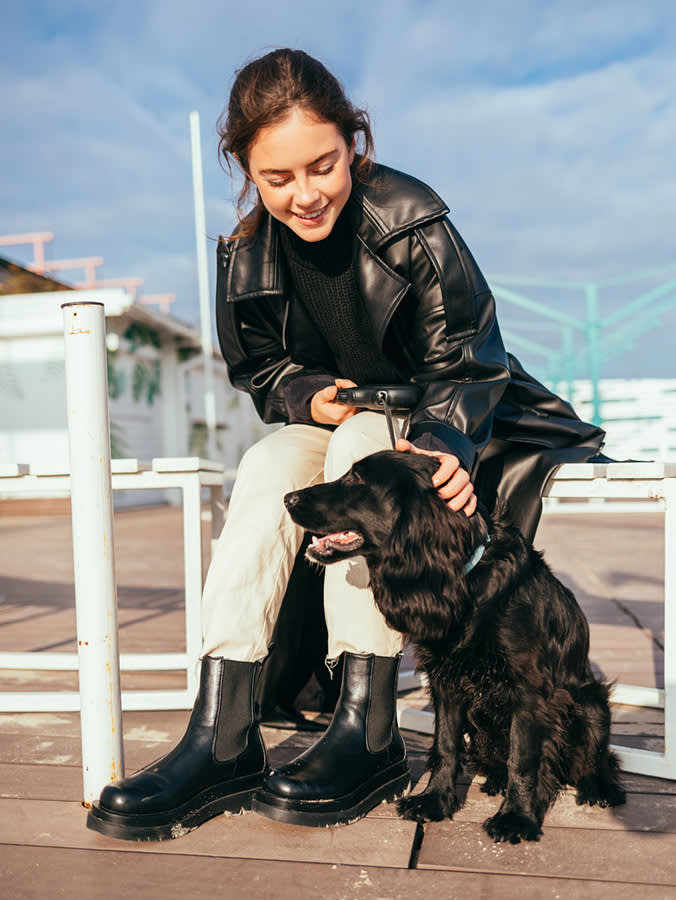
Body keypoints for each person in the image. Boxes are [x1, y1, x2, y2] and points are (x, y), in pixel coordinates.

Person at [87, 48, 605, 841]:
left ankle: (367, 728)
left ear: (354, 143)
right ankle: (223, 732)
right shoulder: (246, 254)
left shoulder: (414, 221)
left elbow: (471, 358)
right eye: (277, 179)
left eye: (321, 165)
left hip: (445, 418)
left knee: (364, 436)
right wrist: (299, 392)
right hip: (338, 425)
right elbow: (259, 368)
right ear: (246, 171)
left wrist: (443, 443)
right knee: (264, 466)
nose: (303, 194)